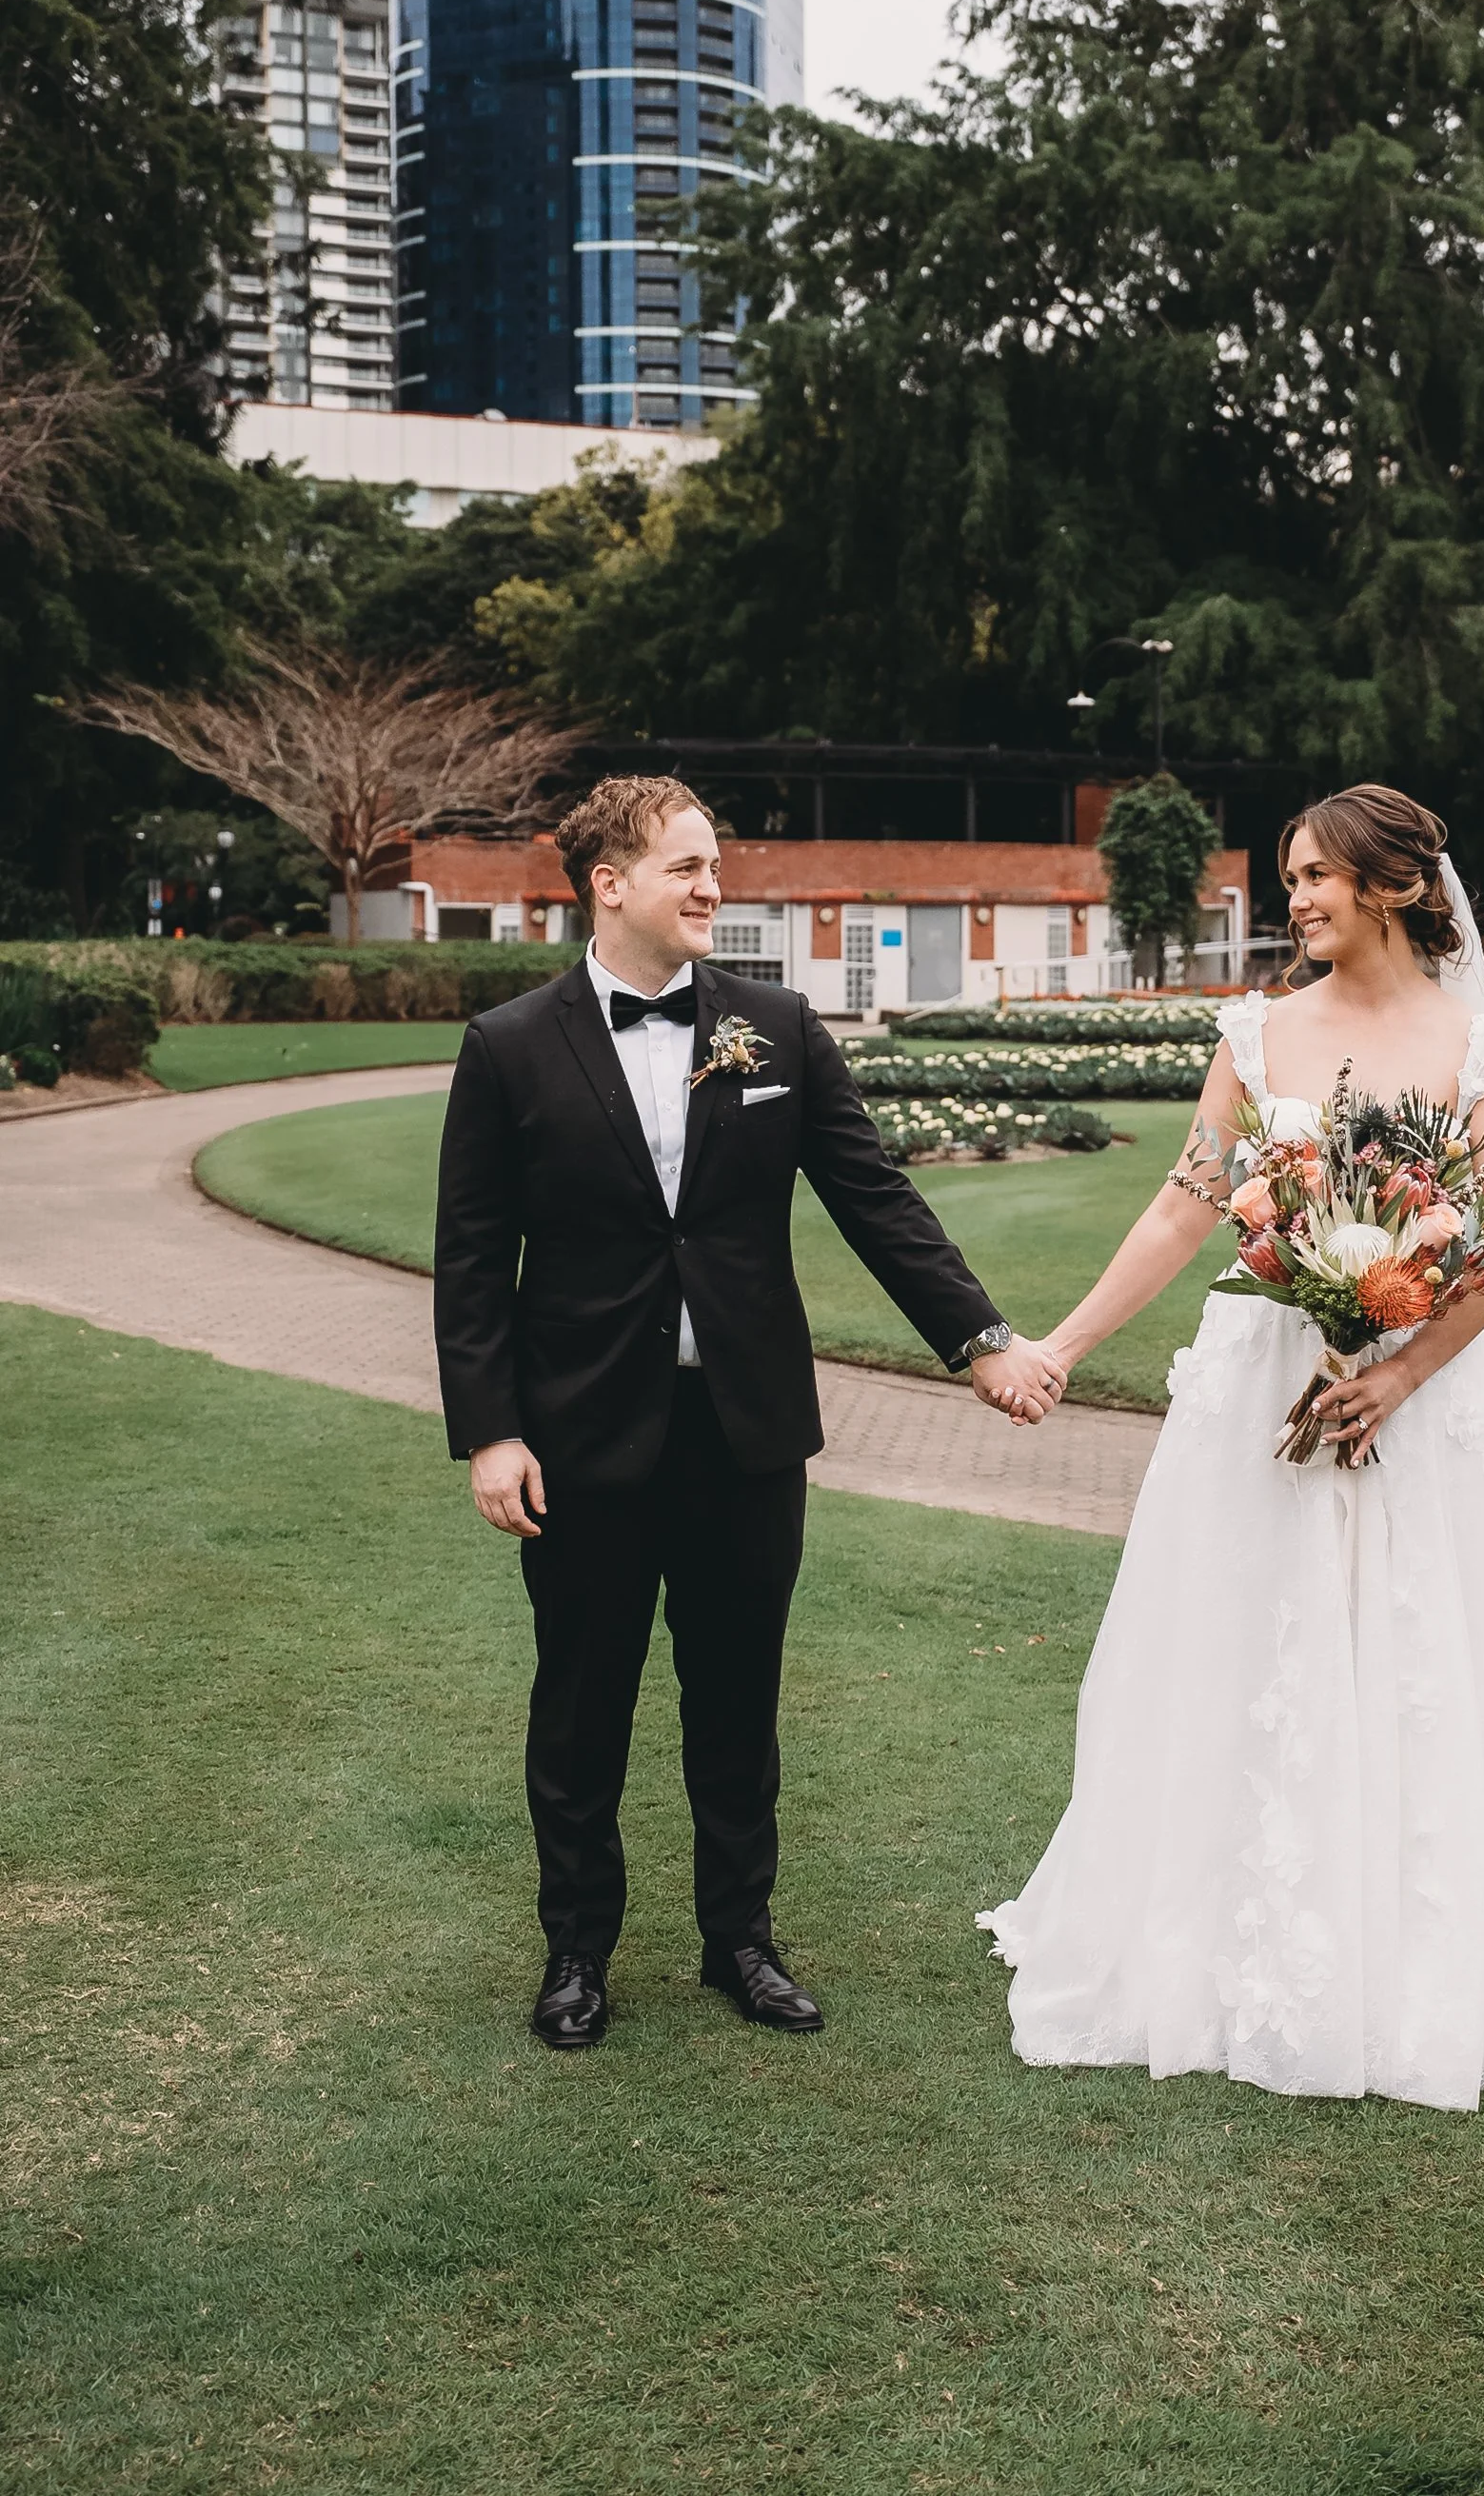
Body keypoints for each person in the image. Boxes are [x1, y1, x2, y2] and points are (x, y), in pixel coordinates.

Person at [981, 784, 1484, 2110]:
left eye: (1313, 877)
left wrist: (1399, 1369)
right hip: (1265, 1384)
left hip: (1413, 1395)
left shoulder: (1478, 1046)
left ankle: (1394, 1921)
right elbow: (1188, 1202)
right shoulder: (1260, 1030)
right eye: (1287, 878)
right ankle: (1213, 1921)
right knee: (1239, 1632)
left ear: (1392, 885)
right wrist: (1060, 1340)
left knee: (1398, 1641)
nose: (1294, 899)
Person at [433, 775, 1061, 2051]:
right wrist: (491, 1431)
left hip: (746, 1433)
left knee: (736, 1697)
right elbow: (470, 1258)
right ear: (609, 883)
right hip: (578, 1438)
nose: (713, 887)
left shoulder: (774, 1026)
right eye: (687, 866)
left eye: (714, 865)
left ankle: (742, 1942)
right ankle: (576, 1955)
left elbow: (875, 1197)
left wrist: (979, 1340)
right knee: (582, 1701)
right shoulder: (507, 1046)